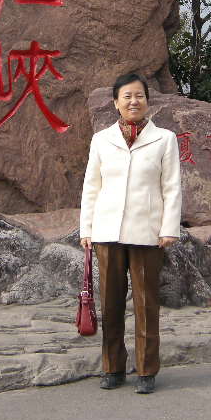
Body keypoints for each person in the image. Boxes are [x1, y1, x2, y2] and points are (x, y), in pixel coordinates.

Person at [79, 72, 182, 394]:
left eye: (139, 96)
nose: (133, 101)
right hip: (106, 231)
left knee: (145, 304)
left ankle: (147, 370)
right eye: (127, 96)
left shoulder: (165, 139)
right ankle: (113, 368)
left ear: (147, 101)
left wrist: (169, 228)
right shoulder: (101, 140)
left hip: (147, 232)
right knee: (110, 305)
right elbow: (91, 187)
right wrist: (87, 228)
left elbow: (172, 186)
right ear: (115, 103)